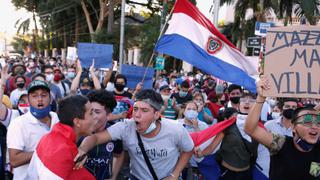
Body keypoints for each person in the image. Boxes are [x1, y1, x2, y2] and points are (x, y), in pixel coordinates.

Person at [76, 89, 194, 179]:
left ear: (156, 114)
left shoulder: (175, 129)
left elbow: (189, 149)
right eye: (136, 109)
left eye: (144, 110)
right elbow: (96, 138)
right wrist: (82, 149)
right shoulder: (126, 127)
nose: (137, 115)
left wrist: (174, 175)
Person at [245, 77, 320, 180]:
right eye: (307, 122)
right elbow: (250, 129)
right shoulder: (281, 143)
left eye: (318, 123)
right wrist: (261, 97)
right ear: (293, 127)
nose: (314, 126)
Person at [27, 95, 95, 179]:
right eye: (91, 113)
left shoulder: (53, 138)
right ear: (77, 122)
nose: (95, 118)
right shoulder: (60, 152)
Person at [196, 92, 259, 180]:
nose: (247, 102)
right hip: (227, 173)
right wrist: (201, 154)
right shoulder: (228, 125)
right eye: (244, 100)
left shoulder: (259, 128)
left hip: (247, 174)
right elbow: (211, 147)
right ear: (238, 106)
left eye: (251, 101)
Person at [6, 80, 59, 180]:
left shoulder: (56, 118)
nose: (40, 99)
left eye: (44, 95)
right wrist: (45, 152)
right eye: (34, 96)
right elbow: (14, 160)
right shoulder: (18, 124)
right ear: (29, 100)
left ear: (50, 98)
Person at [85, 90, 124, 180]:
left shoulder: (115, 134)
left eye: (97, 112)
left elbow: (118, 155)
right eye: (90, 111)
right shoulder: (79, 132)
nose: (92, 116)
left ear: (108, 115)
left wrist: (113, 177)